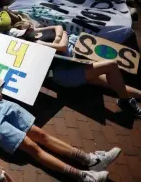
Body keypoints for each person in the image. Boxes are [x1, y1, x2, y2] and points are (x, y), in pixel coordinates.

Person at [9, 23, 141, 118]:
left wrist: (59, 35)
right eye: (25, 31)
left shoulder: (36, 31)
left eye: (27, 27)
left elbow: (59, 27)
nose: (29, 28)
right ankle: (125, 101)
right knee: (111, 66)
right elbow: (62, 46)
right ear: (23, 37)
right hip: (65, 73)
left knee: (112, 83)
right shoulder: (36, 44)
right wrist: (61, 37)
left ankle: (128, 98)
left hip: (73, 63)